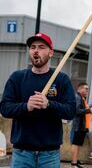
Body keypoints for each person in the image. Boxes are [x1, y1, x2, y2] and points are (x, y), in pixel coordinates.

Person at [0, 33, 76, 167]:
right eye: (33, 47)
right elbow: (5, 108)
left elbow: (70, 111)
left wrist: (49, 104)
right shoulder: (17, 78)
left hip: (50, 155)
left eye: (41, 47)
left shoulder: (61, 79)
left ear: (50, 52)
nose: (36, 50)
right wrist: (26, 107)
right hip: (21, 153)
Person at [70, 83, 92, 168]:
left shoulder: (82, 98)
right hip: (78, 125)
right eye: (86, 89)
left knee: (78, 144)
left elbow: (85, 109)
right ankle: (73, 163)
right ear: (80, 89)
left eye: (88, 89)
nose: (87, 91)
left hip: (82, 125)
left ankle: (76, 161)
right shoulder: (77, 97)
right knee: (75, 144)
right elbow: (77, 111)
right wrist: (89, 110)